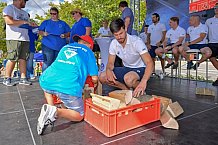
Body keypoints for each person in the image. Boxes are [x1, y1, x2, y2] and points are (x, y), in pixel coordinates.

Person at [37, 35, 98, 135]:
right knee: (79, 115)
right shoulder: (88, 52)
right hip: (67, 86)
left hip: (46, 79)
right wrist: (95, 84)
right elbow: (95, 78)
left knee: (48, 87)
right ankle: (55, 111)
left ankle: (50, 108)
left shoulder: (65, 47)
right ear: (90, 46)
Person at [99, 18, 153, 97]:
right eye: (116, 35)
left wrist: (143, 82)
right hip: (126, 68)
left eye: (121, 33)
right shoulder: (113, 43)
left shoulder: (136, 41)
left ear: (125, 29)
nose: (119, 37)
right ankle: (127, 90)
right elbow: (110, 63)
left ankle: (141, 90)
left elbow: (150, 63)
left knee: (129, 79)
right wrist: (108, 70)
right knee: (102, 76)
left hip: (140, 68)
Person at [3, 0, 35, 86]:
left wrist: (32, 25)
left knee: (23, 59)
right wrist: (24, 22)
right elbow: (8, 21)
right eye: (25, 1)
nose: (25, 3)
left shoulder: (25, 13)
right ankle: (7, 78)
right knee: (12, 58)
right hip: (14, 38)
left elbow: (27, 25)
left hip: (25, 38)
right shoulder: (9, 8)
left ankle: (23, 78)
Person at [38, 7, 71, 71]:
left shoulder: (63, 23)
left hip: (60, 46)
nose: (52, 15)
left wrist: (65, 35)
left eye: (54, 14)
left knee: (57, 63)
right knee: (48, 62)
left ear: (58, 14)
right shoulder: (46, 22)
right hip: (47, 45)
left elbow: (69, 33)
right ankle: (44, 77)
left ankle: (54, 78)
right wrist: (43, 33)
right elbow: (39, 31)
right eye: (51, 14)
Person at [205, 3, 218, 86]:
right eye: (215, 7)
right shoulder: (208, 21)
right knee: (211, 58)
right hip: (212, 43)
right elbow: (205, 33)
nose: (216, 9)